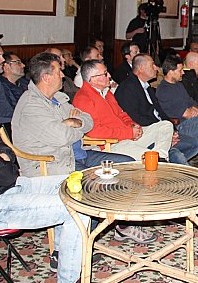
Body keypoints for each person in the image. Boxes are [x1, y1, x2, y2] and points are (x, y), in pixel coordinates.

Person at [0, 62, 88, 283]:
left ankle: (61, 254)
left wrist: (0, 156)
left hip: (3, 188)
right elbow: (6, 173)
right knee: (78, 207)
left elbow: (5, 150)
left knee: (73, 183)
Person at [11, 53, 151, 246]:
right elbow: (62, 136)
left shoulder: (56, 98)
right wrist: (72, 124)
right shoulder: (31, 106)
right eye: (58, 72)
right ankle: (80, 240)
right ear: (46, 77)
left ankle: (120, 225)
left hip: (77, 154)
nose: (63, 75)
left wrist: (71, 123)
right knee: (96, 182)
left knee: (126, 165)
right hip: (53, 164)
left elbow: (87, 120)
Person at [73, 59, 174, 161]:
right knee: (148, 155)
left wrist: (133, 125)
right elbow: (94, 132)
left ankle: (160, 157)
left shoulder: (106, 93)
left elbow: (122, 114)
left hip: (126, 136)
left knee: (166, 126)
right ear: (93, 79)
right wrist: (128, 133)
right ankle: (157, 160)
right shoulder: (83, 98)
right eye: (105, 74)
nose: (109, 76)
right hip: (111, 144)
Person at [114, 54, 198, 165]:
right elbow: (134, 118)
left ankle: (165, 164)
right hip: (144, 134)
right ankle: (164, 161)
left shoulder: (147, 88)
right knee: (176, 155)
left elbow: (161, 112)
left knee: (194, 144)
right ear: (141, 68)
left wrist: (172, 132)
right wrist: (162, 132)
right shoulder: (127, 88)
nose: (156, 68)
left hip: (162, 130)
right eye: (152, 65)